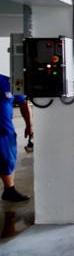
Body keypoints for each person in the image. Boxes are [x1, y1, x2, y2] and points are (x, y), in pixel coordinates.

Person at [0, 74, 32, 202]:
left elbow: (24, 103)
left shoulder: (10, 81)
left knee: (7, 159)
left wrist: (29, 125)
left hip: (4, 131)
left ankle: (9, 190)